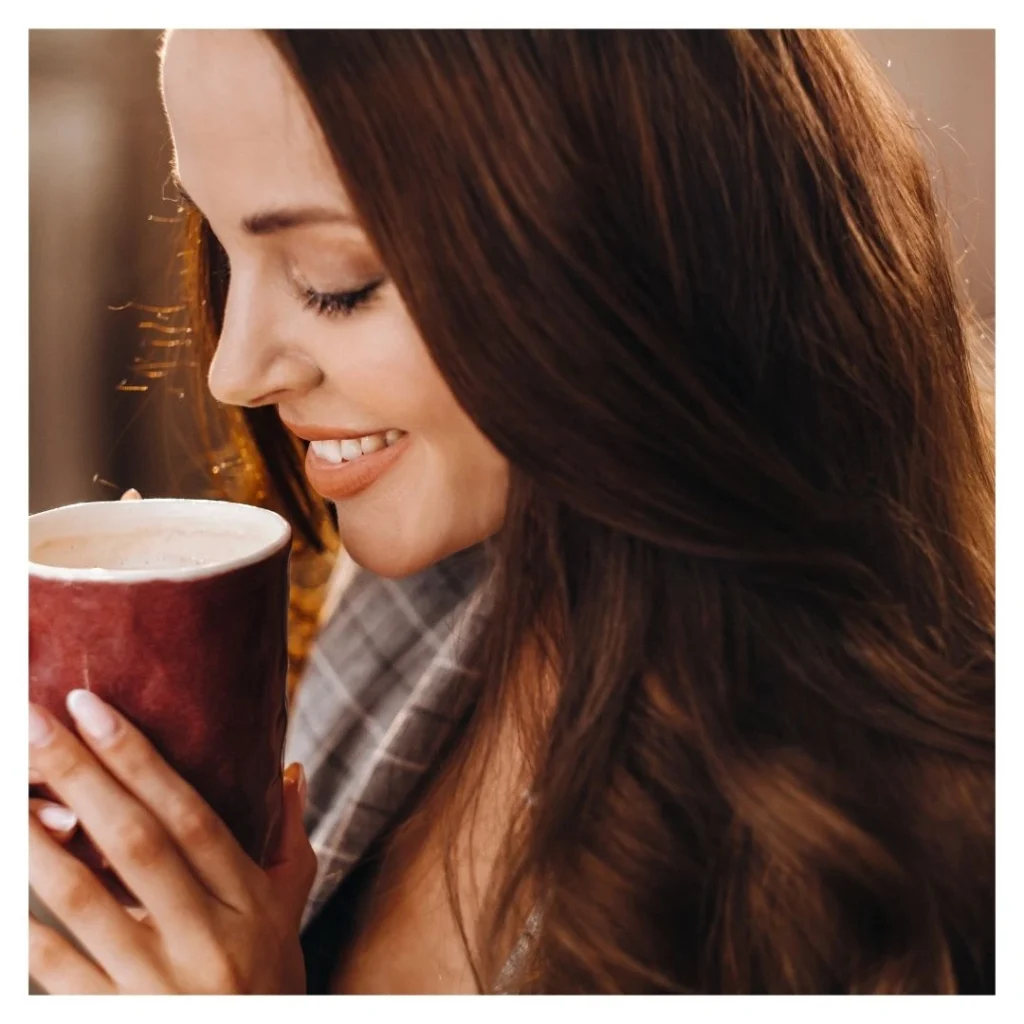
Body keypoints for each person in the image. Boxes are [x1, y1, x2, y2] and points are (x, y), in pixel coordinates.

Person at [27, 29, 995, 994]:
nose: (232, 371)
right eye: (225, 246)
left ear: (627, 252)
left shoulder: (869, 870)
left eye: (336, 282)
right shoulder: (422, 598)